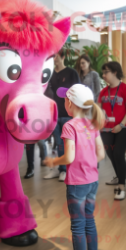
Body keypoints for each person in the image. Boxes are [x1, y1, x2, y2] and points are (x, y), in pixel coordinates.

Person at [44, 84, 105, 250]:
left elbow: (69, 158)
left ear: (69, 103)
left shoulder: (69, 126)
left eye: (64, 99)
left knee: (77, 225)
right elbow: (101, 154)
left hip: (77, 183)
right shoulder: (93, 124)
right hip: (93, 181)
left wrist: (54, 161)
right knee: (89, 220)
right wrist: (88, 162)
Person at [98, 61, 126, 201]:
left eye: (106, 72)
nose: (104, 75)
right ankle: (118, 176)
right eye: (103, 72)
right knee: (111, 155)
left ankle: (121, 186)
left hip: (123, 128)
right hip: (106, 129)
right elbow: (99, 110)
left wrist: (121, 124)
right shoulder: (103, 92)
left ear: (115, 72)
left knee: (118, 154)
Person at [43, 48, 80, 181]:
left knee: (69, 144)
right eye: (52, 56)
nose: (54, 58)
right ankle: (61, 170)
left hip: (68, 114)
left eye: (56, 55)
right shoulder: (49, 73)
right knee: (58, 143)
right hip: (53, 114)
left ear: (63, 57)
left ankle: (68, 170)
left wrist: (76, 113)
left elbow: (78, 92)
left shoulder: (71, 73)